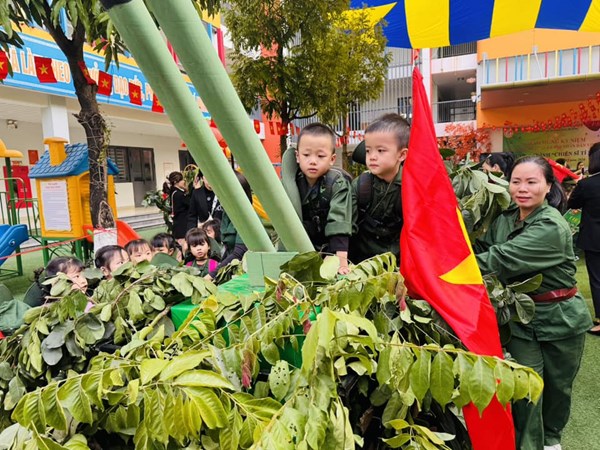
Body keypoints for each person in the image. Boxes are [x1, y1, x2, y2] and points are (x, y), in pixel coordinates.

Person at [474, 155, 592, 450]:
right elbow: (485, 247)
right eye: (516, 181)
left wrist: (446, 269)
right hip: (521, 317)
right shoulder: (505, 218)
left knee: (556, 391)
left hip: (560, 319)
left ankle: (551, 441)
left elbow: (500, 259)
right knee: (525, 388)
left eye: (531, 182)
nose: (522, 188)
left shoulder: (551, 226)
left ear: (548, 185)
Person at [281, 122, 353, 274]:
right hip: (305, 249)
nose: (313, 161)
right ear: (297, 156)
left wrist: (340, 261)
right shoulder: (292, 183)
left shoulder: (337, 183)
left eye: (320, 156)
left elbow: (339, 221)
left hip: (336, 249)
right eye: (306, 155)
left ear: (332, 159)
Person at [349, 113, 408, 263]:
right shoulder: (361, 185)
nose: (372, 156)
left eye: (380, 151)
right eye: (368, 151)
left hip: (398, 265)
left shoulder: (410, 188)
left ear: (401, 155)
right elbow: (345, 224)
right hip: (360, 265)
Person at [567, 142, 600, 335]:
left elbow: (572, 203)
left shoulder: (586, 184)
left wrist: (580, 183)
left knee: (597, 279)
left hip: (594, 238)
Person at [207, 171, 253, 280]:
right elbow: (228, 250)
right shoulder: (227, 213)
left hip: (245, 273)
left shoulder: (246, 216)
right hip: (230, 268)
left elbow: (239, 253)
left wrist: (211, 275)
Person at [24, 257, 89, 307]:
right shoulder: (49, 308)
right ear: (56, 283)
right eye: (76, 276)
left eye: (84, 276)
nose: (83, 281)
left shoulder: (88, 298)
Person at [169, 171, 190, 251]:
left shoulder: (174, 192)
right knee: (183, 247)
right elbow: (190, 204)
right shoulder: (179, 194)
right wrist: (187, 191)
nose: (184, 181)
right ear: (175, 182)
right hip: (182, 225)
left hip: (179, 224)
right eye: (181, 180)